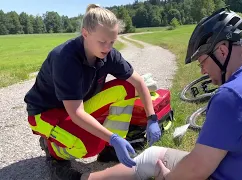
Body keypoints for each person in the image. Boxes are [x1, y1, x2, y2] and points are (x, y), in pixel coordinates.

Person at [79, 7, 242, 180]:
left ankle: (84, 178)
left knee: (151, 160)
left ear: (222, 50)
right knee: (154, 158)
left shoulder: (232, 96)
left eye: (202, 61)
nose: (202, 71)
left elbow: (196, 171)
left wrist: (169, 177)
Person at [24, 4, 162, 180]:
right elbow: (76, 113)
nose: (107, 47)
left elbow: (138, 82)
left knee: (126, 88)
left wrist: (152, 118)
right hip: (45, 113)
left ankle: (110, 150)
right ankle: (54, 154)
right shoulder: (65, 59)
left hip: (75, 106)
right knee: (89, 145)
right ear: (85, 33)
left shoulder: (108, 53)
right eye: (102, 41)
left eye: (112, 42)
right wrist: (111, 137)